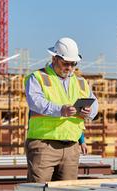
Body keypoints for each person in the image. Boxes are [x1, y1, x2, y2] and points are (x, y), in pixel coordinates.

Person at [24, 37, 98, 183]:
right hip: (44, 144)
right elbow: (35, 102)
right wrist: (61, 110)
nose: (69, 68)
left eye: (73, 64)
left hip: (71, 147)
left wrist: (89, 112)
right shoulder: (38, 78)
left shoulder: (81, 82)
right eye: (66, 63)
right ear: (54, 58)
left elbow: (95, 104)